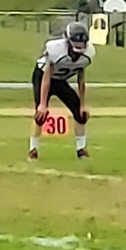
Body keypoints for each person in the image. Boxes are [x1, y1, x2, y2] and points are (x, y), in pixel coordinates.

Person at [30, 21, 95, 161]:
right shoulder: (56, 50)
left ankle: (81, 149)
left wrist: (82, 104)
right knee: (40, 115)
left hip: (60, 80)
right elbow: (46, 77)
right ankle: (33, 149)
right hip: (43, 77)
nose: (79, 46)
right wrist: (42, 104)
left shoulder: (87, 54)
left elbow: (81, 79)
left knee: (80, 114)